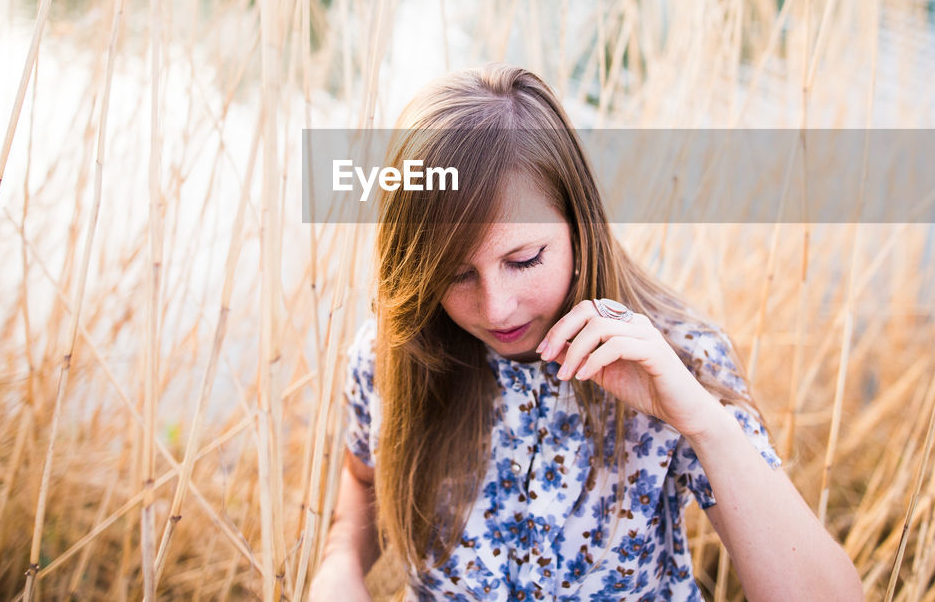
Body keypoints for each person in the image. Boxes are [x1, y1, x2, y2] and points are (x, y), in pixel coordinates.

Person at [310, 64, 863, 601]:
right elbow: (363, 481)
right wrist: (340, 565)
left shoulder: (678, 358)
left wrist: (702, 423)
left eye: (524, 259)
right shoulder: (395, 354)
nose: (497, 308)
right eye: (456, 275)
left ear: (580, 224)